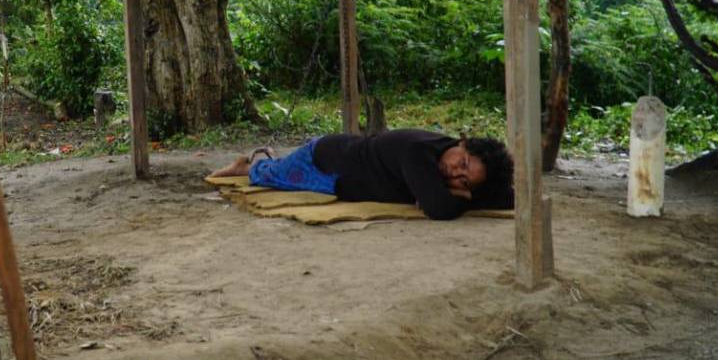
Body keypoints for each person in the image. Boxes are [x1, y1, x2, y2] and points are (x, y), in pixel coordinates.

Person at [212, 129, 515, 220]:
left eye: (463, 180)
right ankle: (249, 164)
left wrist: (463, 195)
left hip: (342, 179)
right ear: (461, 143)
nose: (454, 173)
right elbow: (438, 208)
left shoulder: (439, 166)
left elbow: (509, 198)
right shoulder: (418, 152)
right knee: (270, 175)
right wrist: (460, 198)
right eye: (461, 162)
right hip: (325, 161)